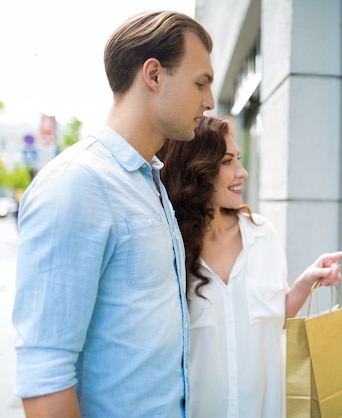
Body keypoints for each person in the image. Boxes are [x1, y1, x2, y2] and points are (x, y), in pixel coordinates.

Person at [12, 11, 215, 418]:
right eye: (200, 83)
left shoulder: (148, 181)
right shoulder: (78, 184)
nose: (209, 102)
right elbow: (45, 378)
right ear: (154, 75)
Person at [157, 115, 342, 418]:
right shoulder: (169, 245)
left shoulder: (262, 234)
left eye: (238, 159)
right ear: (197, 169)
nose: (243, 172)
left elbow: (273, 320)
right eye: (228, 161)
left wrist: (306, 282)